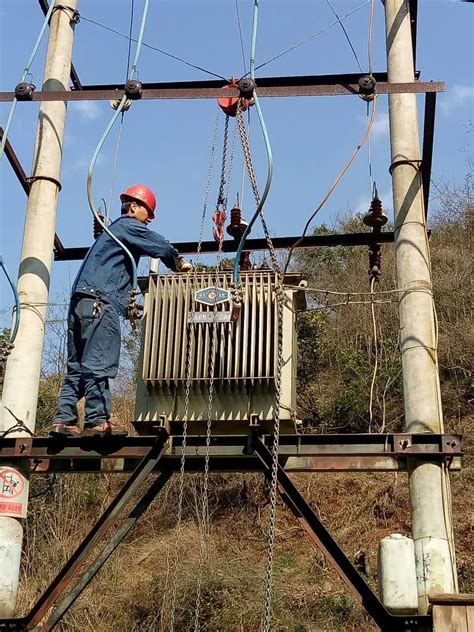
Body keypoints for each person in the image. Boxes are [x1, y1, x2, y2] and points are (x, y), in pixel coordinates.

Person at [51, 185, 192, 438]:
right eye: (148, 213)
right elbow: (159, 244)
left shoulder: (110, 236)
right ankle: (98, 420)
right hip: (99, 304)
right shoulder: (127, 226)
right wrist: (178, 262)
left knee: (77, 366)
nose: (149, 219)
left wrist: (128, 307)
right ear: (134, 207)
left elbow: (115, 278)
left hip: (80, 304)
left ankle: (64, 420)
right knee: (99, 361)